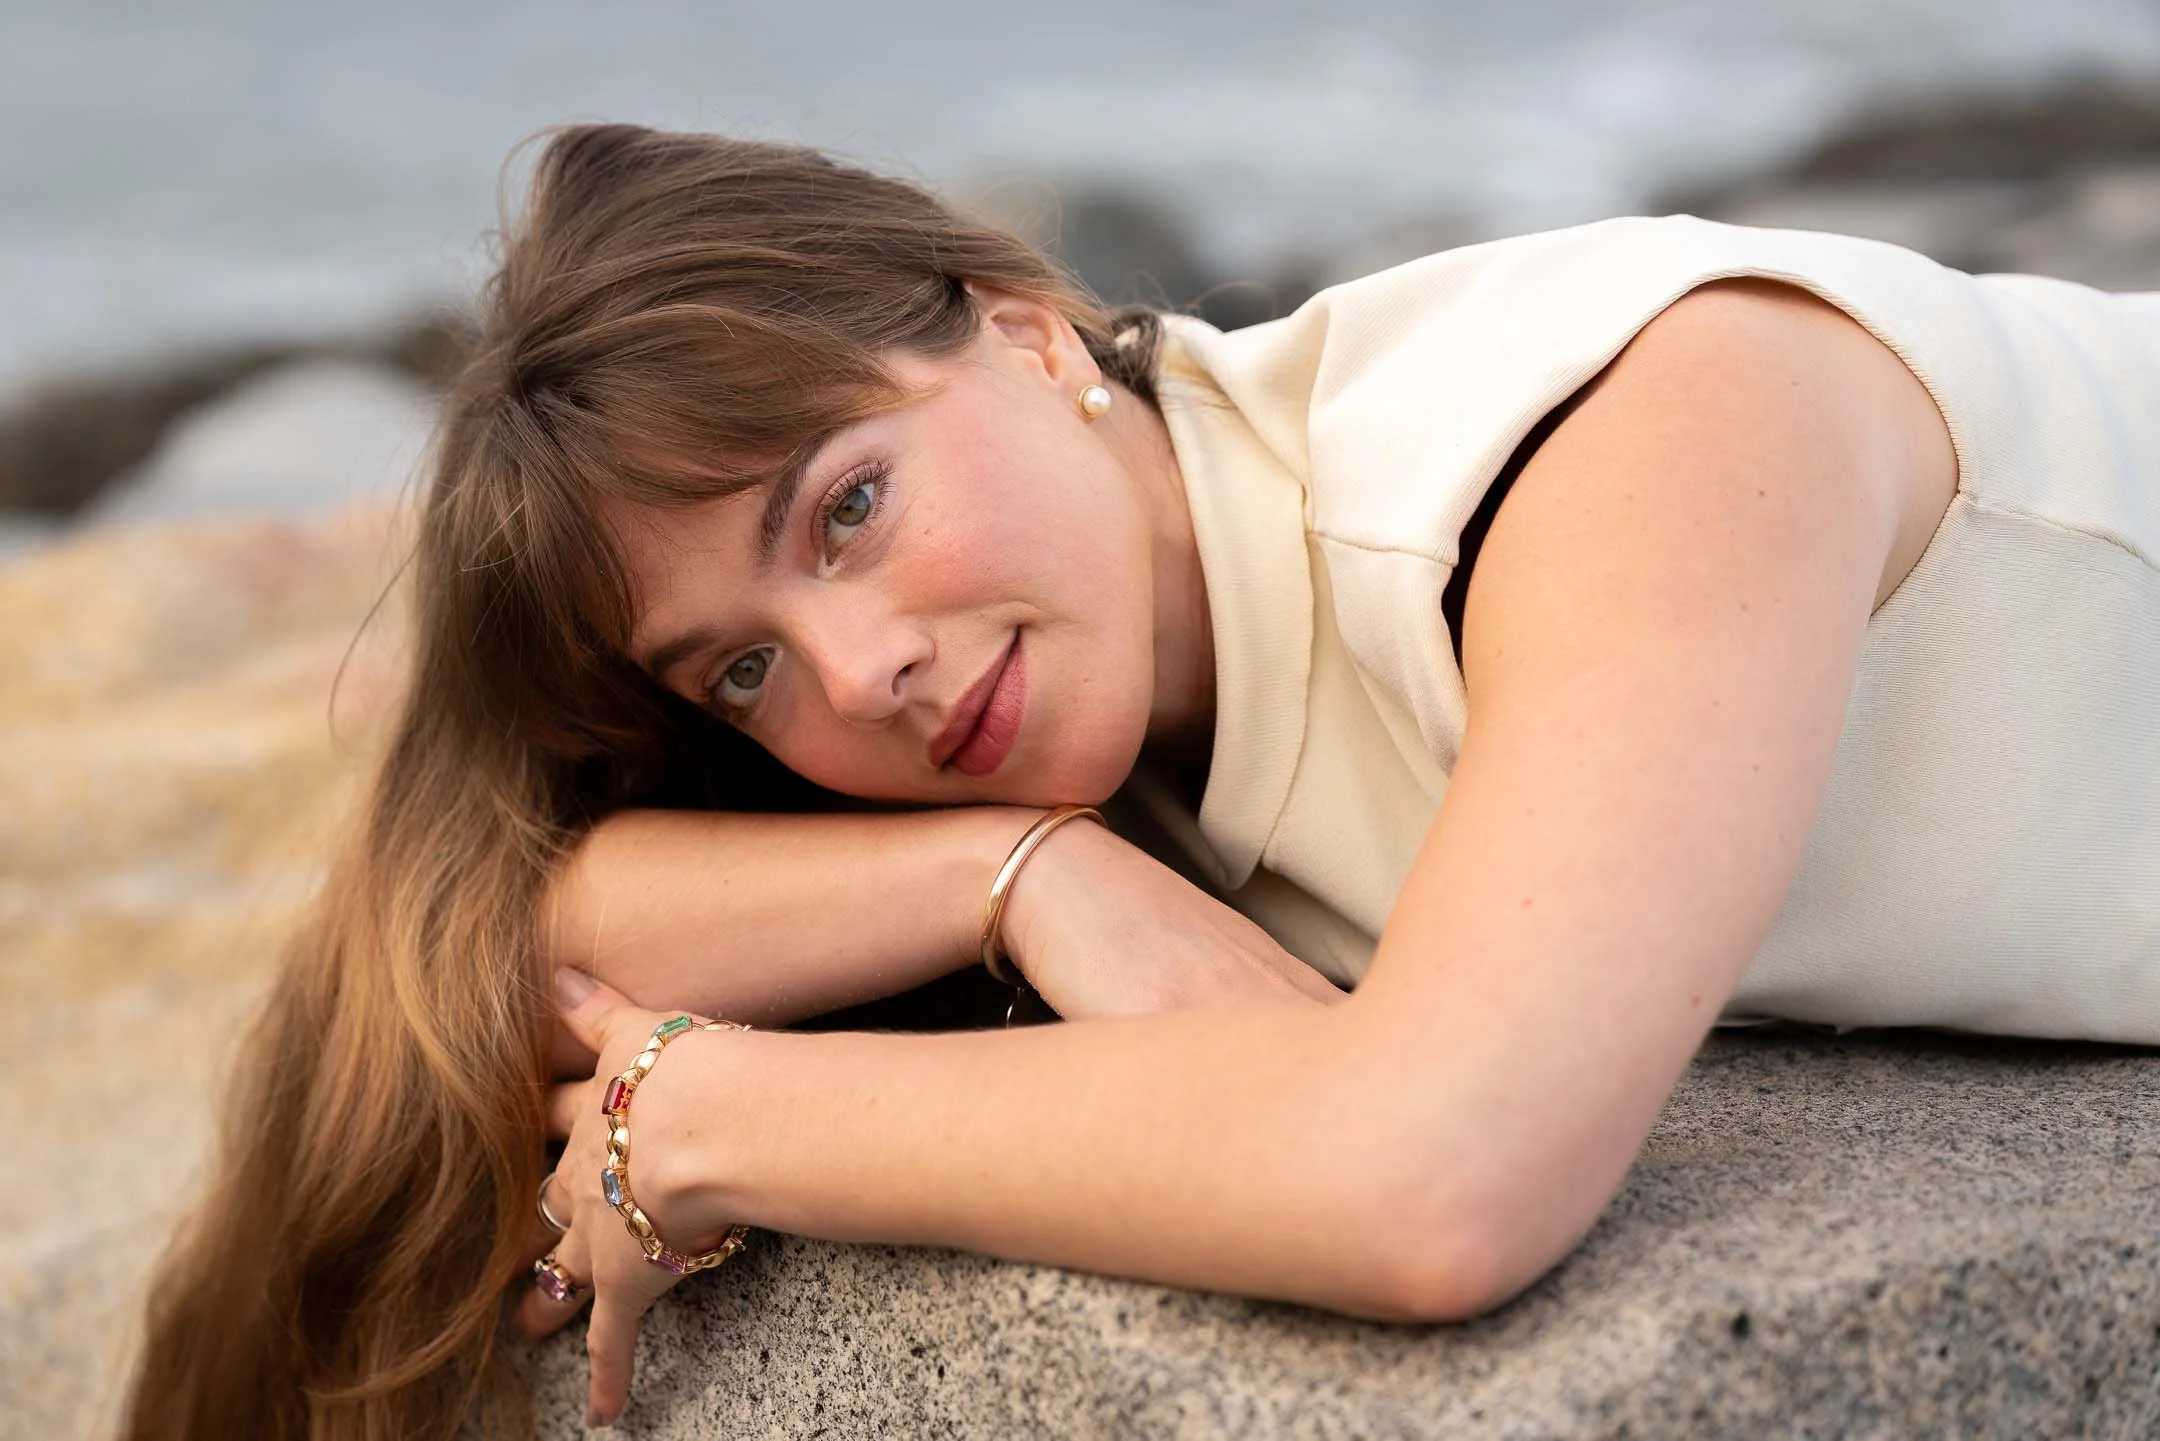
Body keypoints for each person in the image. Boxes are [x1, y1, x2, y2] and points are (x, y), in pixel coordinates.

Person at [124, 122, 2160, 1439]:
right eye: (740, 670)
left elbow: (1437, 1180)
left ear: (1022, 335)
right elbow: (530, 915)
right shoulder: (1118, 689)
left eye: (844, 509)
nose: (862, 673)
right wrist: (1018, 875)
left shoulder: (1620, 432)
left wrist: (715, 1116)